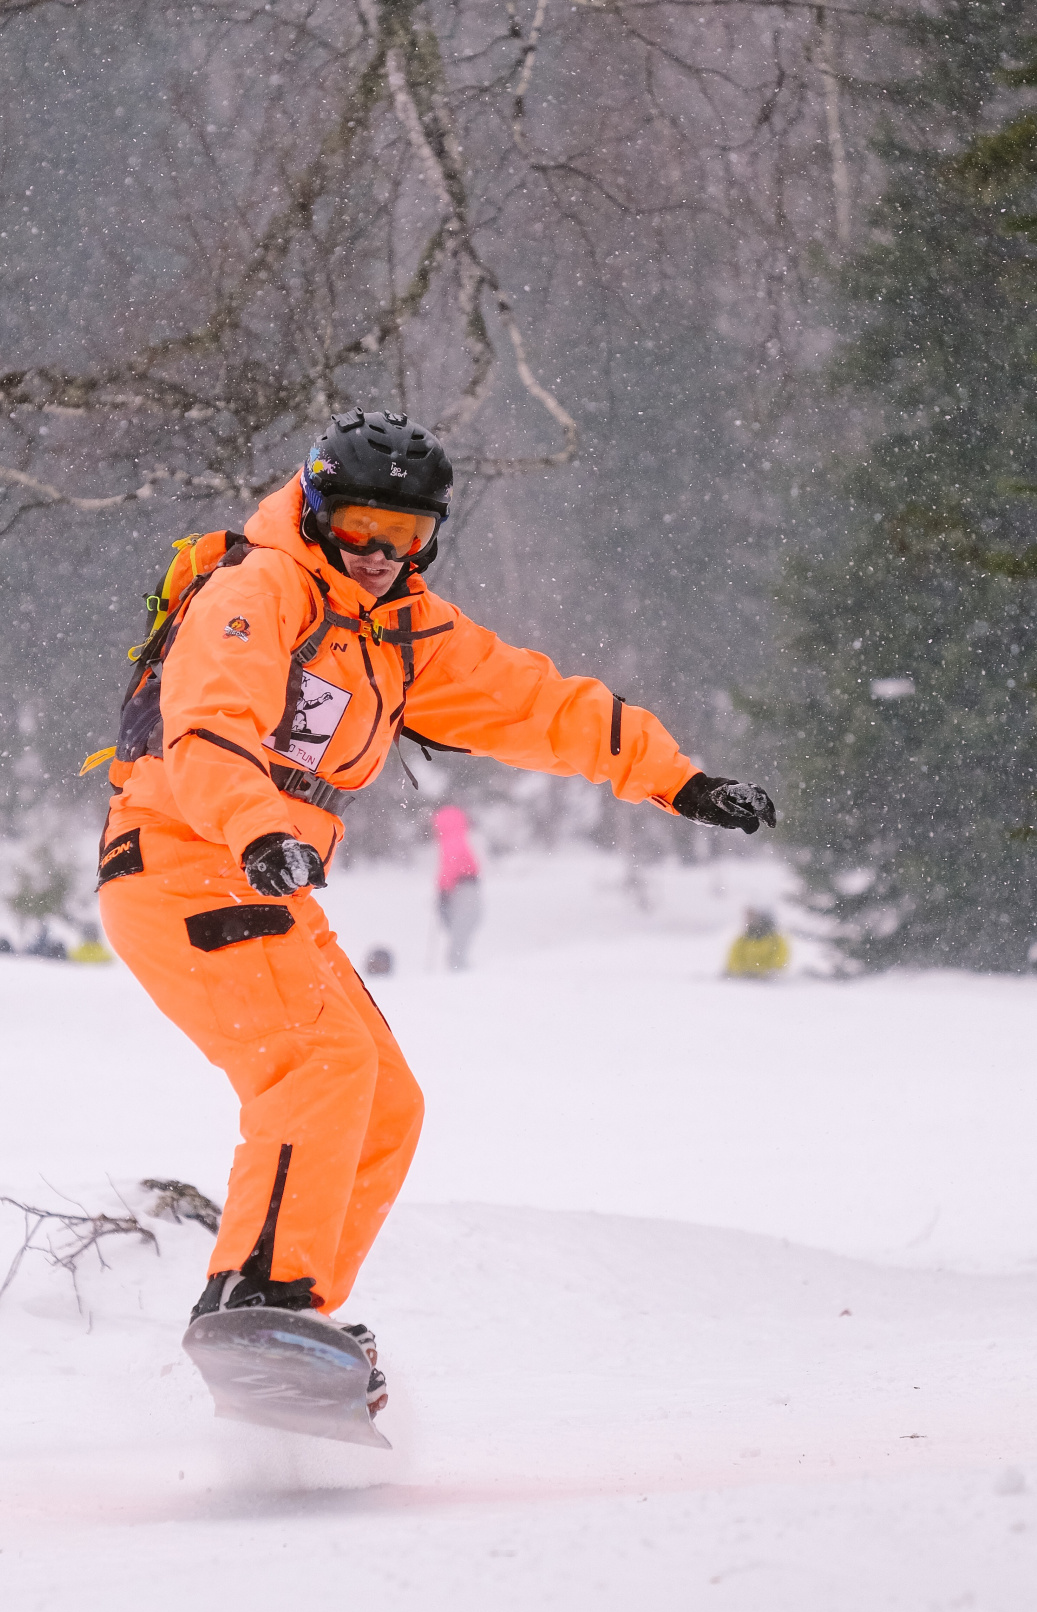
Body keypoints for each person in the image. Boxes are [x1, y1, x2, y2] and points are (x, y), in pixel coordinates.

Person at [95, 408, 775, 1413]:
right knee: (316, 1065)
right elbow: (208, 723)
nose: (380, 554)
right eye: (365, 527)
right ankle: (255, 1294)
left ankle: (294, 1319)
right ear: (321, 510)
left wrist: (678, 781)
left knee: (385, 1100)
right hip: (190, 862)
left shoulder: (399, 630)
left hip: (265, 877)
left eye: (407, 535)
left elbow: (538, 704)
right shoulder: (258, 590)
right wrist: (255, 827)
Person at [433, 803, 481, 971]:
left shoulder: (451, 840)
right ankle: (457, 964)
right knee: (465, 924)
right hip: (467, 886)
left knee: (461, 926)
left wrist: (443, 890)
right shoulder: (458, 838)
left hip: (459, 888)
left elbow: (448, 868)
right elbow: (453, 867)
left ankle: (457, 964)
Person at [725, 907, 790, 978]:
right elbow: (734, 958)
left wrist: (770, 973)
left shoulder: (775, 939)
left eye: (753, 916)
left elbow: (780, 960)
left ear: (762, 917)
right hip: (746, 981)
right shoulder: (743, 939)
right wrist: (739, 972)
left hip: (768, 983)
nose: (748, 920)